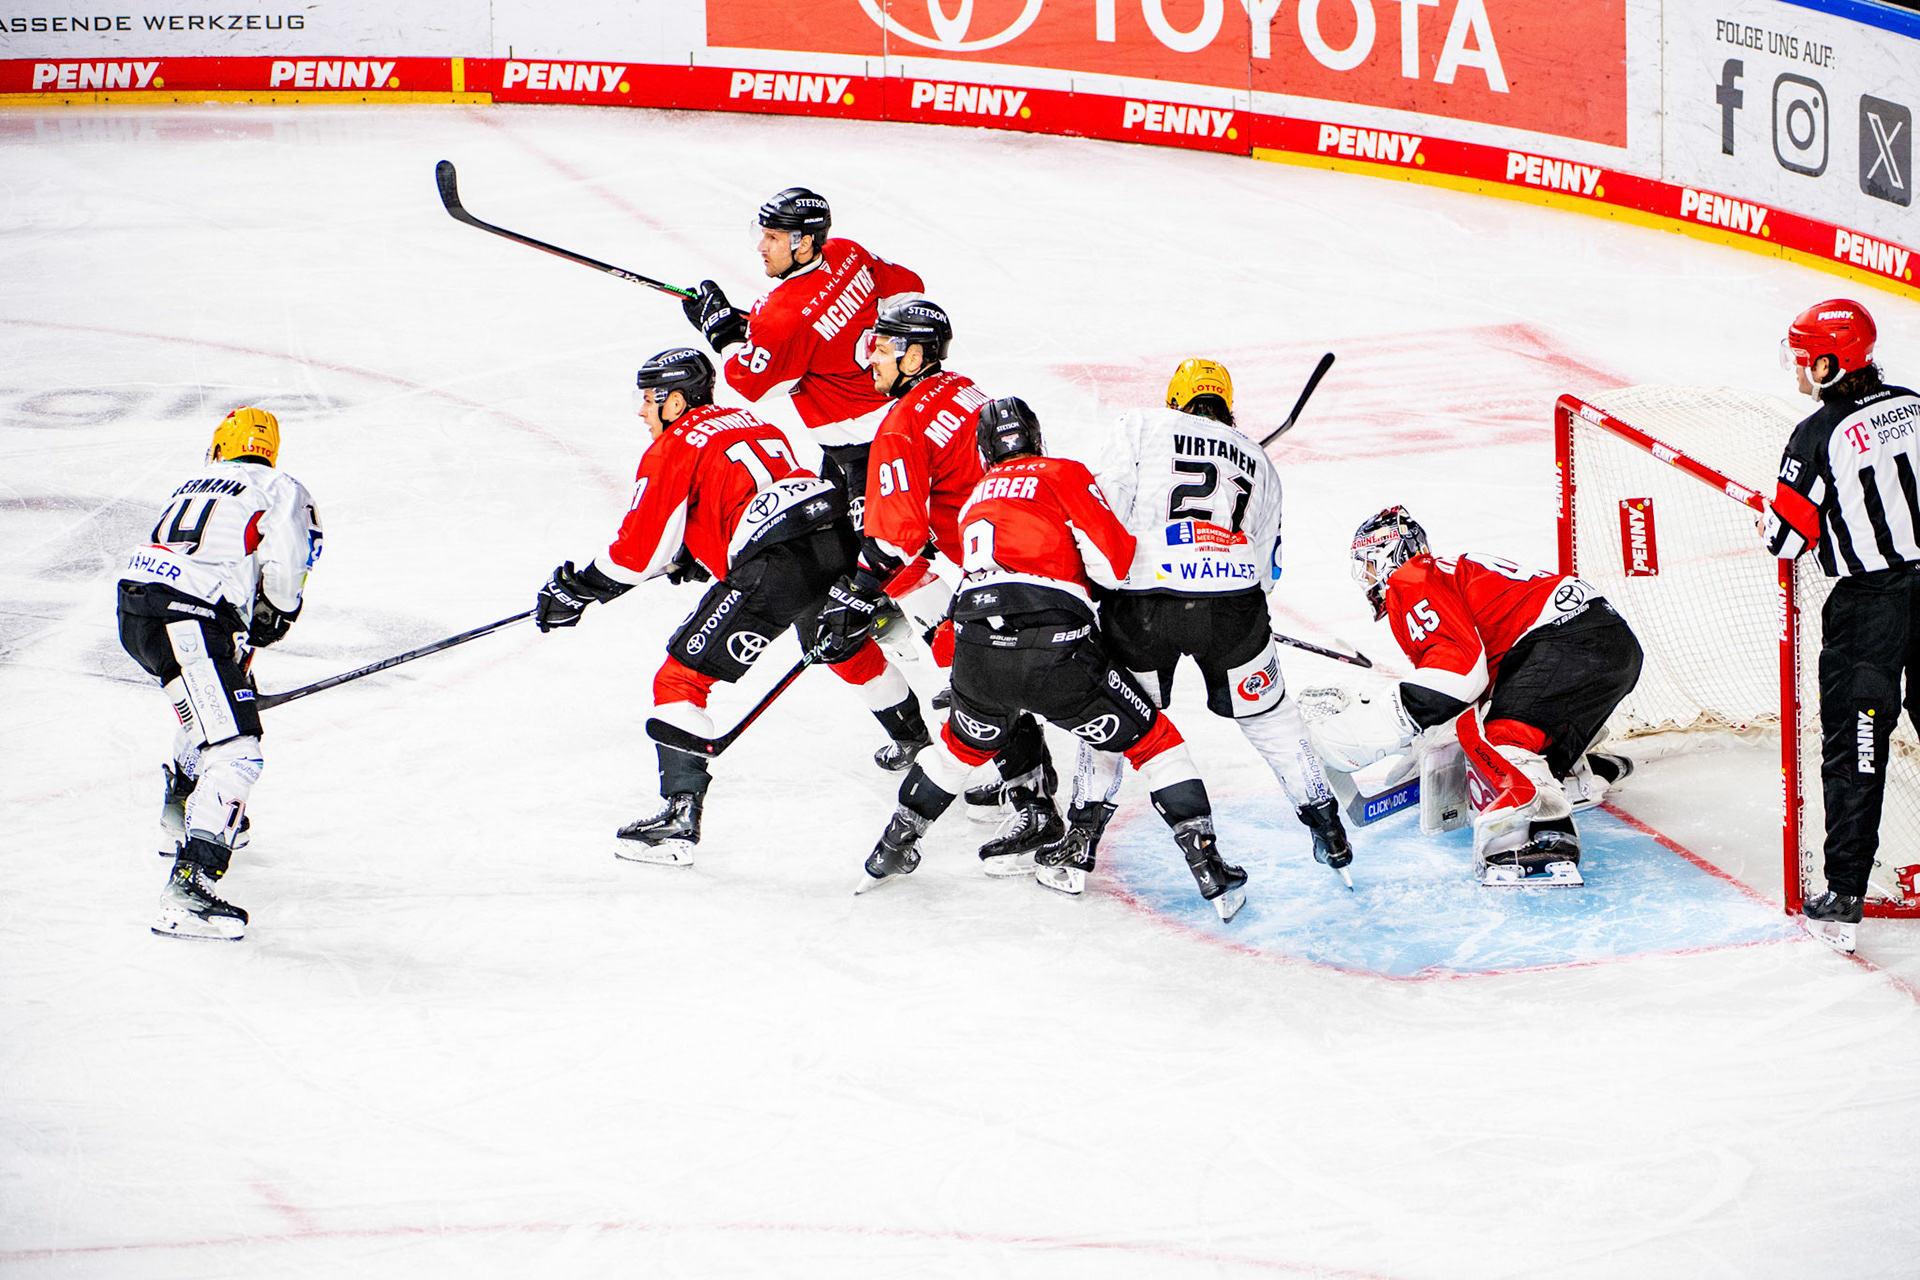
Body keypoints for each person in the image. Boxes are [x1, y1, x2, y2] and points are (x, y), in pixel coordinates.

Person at [855, 397, 1250, 922]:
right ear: (1037, 439)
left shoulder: (975, 498)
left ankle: (891, 848)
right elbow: (1115, 564)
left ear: (984, 450)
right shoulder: (1062, 473)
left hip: (977, 652)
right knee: (1155, 743)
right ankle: (1210, 869)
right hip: (1054, 647)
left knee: (955, 752)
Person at [532, 347, 929, 866]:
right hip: (833, 537)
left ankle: (678, 822)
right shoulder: (750, 420)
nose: (640, 410)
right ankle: (915, 741)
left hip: (777, 562)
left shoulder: (672, 446)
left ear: (674, 402)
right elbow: (750, 497)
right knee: (835, 645)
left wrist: (576, 590)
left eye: (648, 399)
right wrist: (695, 554)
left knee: (678, 681)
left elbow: (636, 554)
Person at [1082, 358, 1352, 889]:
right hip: (1234, 608)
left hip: (1143, 605)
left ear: (1176, 402)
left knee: (1111, 719)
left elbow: (1104, 511)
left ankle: (1081, 841)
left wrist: (1095, 589)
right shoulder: (1259, 462)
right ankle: (1329, 829)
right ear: (1227, 408)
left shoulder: (1140, 425)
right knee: (1270, 718)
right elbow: (1267, 571)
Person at [812, 297, 1060, 872]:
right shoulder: (966, 391)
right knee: (985, 668)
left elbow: (896, 534)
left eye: (881, 346)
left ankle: (1028, 795)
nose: (868, 358)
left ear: (915, 353)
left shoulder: (901, 422)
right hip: (1034, 555)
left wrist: (856, 591)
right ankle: (1028, 776)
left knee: (979, 677)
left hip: (984, 574)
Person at [1315, 507, 1642, 884]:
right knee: (1497, 724)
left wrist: (1378, 729)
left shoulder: (1412, 579)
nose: (1367, 578)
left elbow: (1458, 673)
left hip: (1566, 643)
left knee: (1500, 742)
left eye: (1369, 565)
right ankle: (1571, 771)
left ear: (1390, 554)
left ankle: (1545, 832)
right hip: (1604, 640)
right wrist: (1431, 740)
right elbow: (1475, 679)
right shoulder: (1441, 575)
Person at [116, 406, 323, 941]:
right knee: (237, 750)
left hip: (139, 608)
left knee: (216, 701)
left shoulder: (197, 480)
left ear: (219, 446)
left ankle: (181, 807)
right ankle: (188, 887)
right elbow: (285, 568)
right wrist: (275, 615)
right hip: (190, 618)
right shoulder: (281, 487)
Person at [1765, 298, 1920, 952]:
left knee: (1856, 748)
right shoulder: (1914, 402)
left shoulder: (1814, 436)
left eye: (1804, 359)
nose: (1799, 370)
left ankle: (1844, 898)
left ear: (1832, 364)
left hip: (1871, 611)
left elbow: (1785, 541)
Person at [679, 187, 925, 534]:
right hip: (899, 415)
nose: (762, 247)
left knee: (882, 564)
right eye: (762, 234)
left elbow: (755, 383)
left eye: (773, 237)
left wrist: (724, 336)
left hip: (862, 448)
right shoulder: (848, 252)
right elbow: (910, 290)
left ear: (805, 242)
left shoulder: (780, 314)